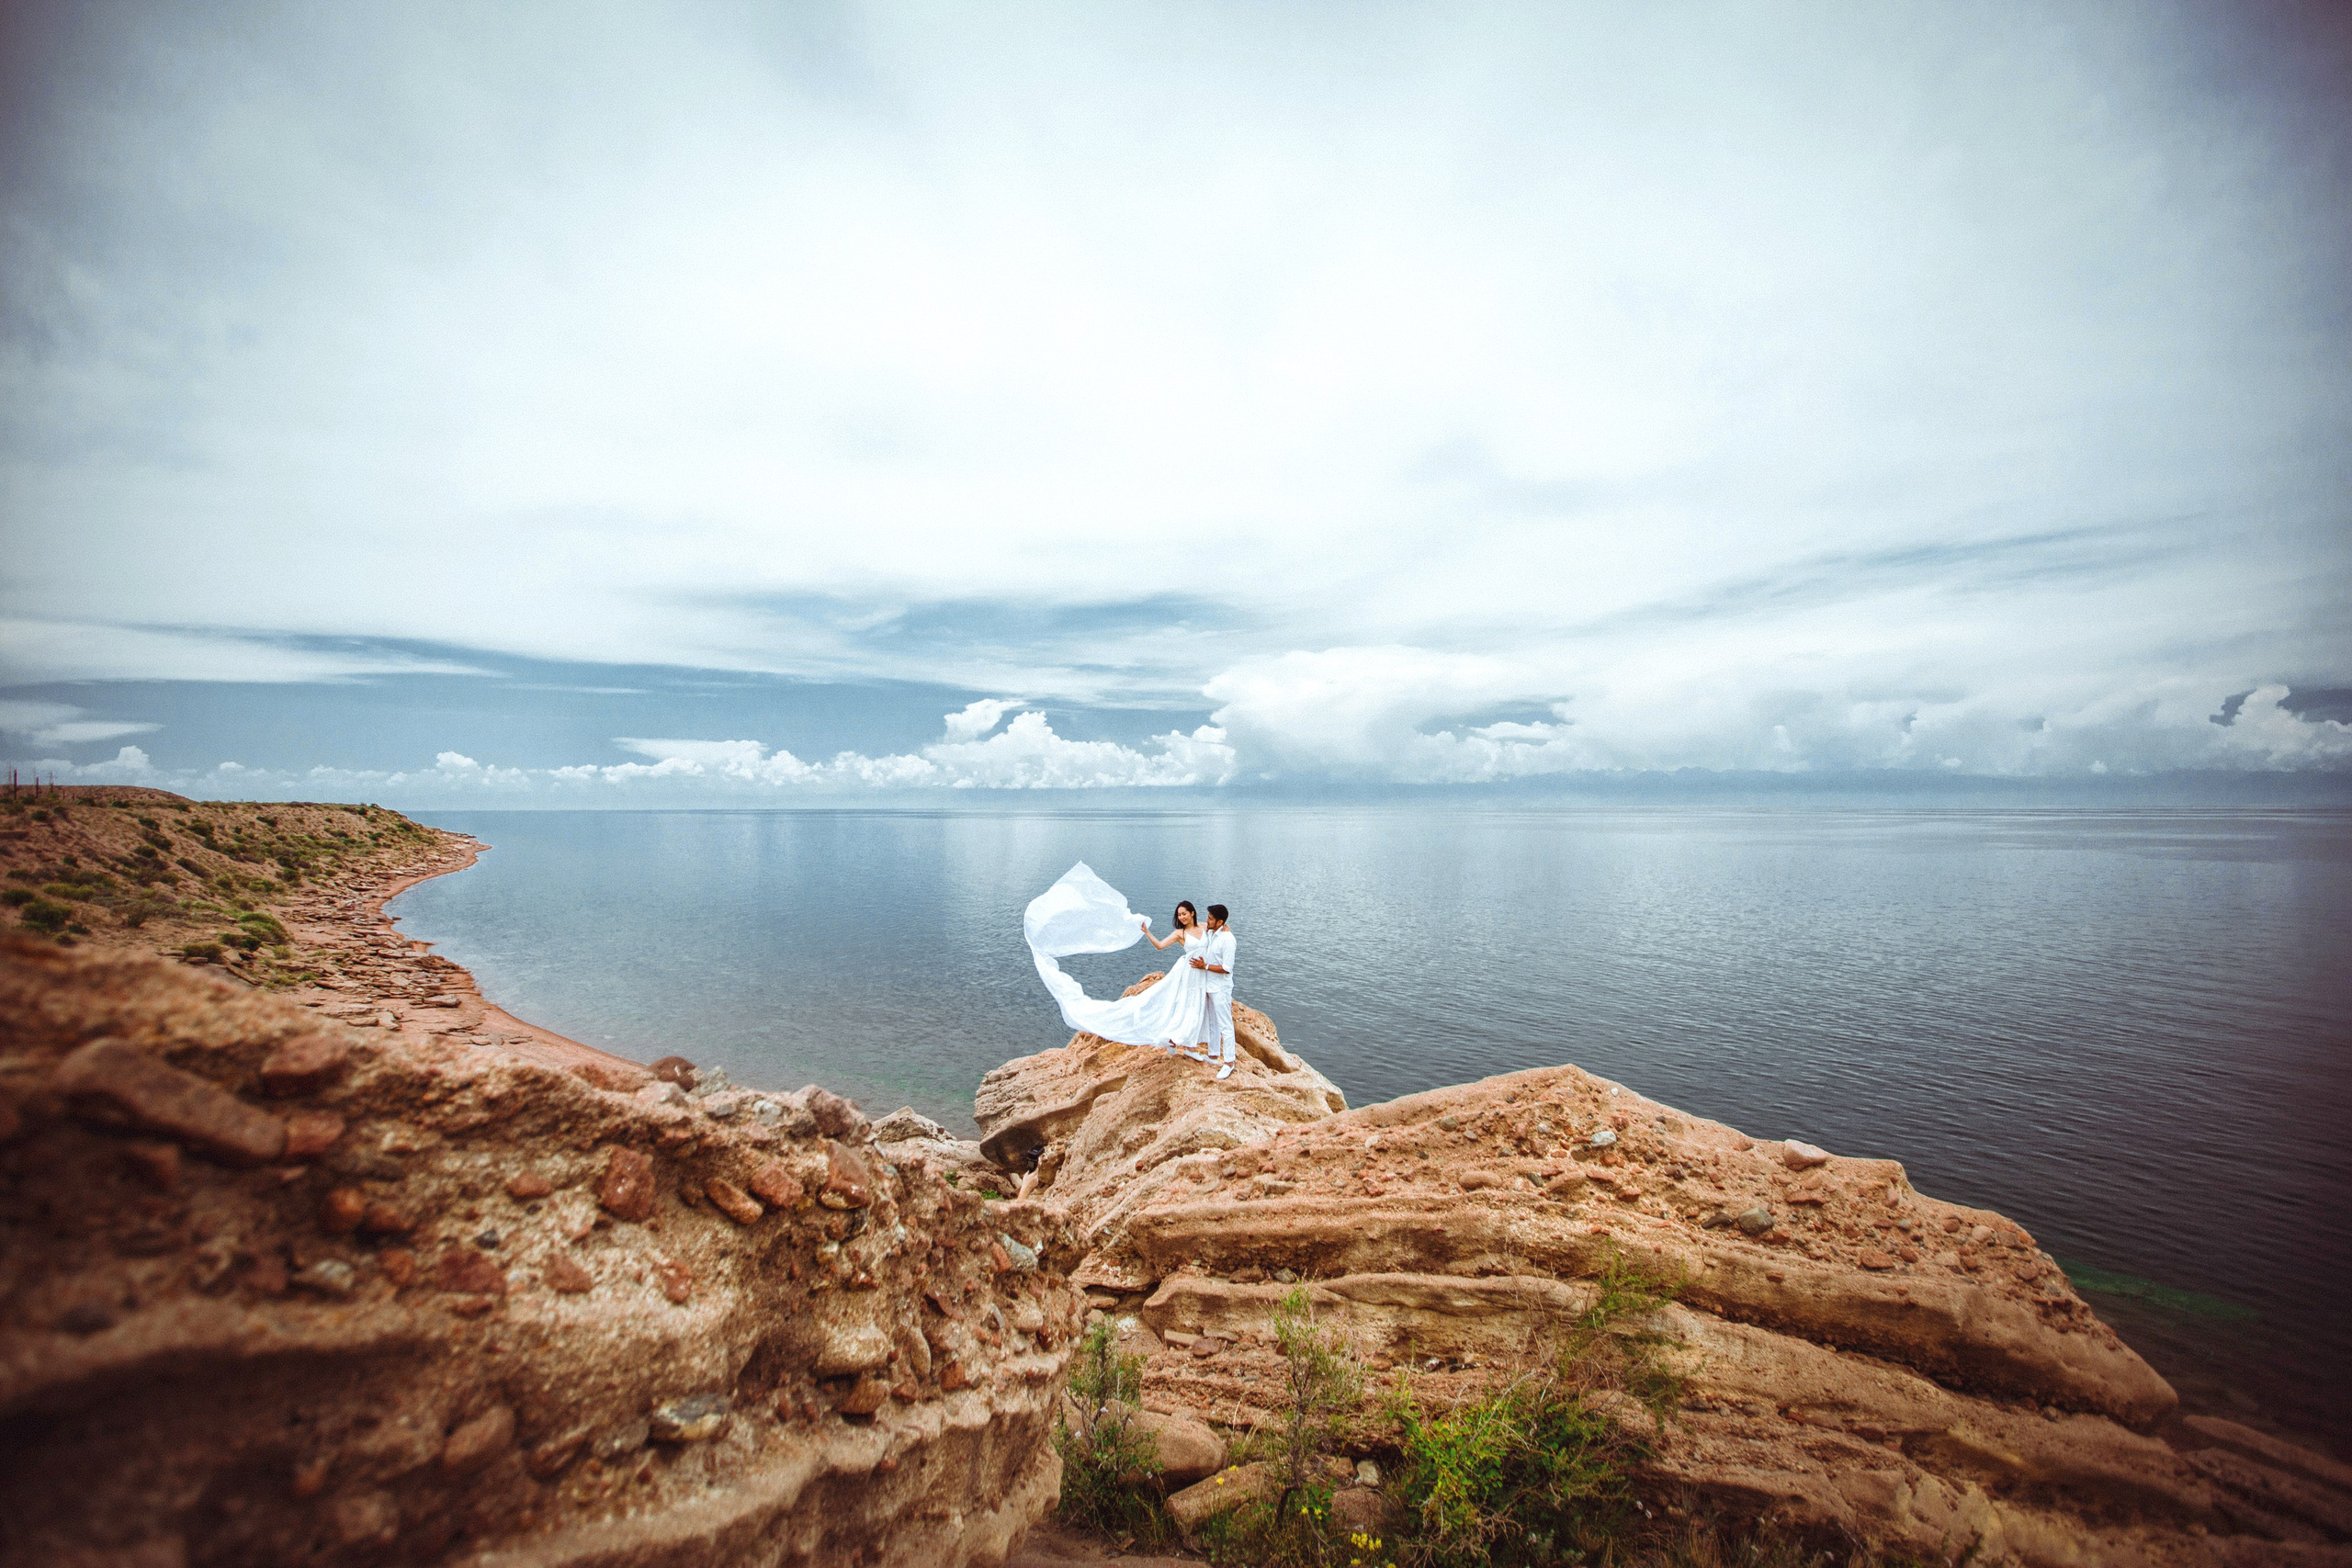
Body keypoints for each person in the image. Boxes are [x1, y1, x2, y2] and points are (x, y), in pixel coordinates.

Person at [1191, 903, 1238, 1079]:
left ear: (1220, 922)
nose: (1207, 920)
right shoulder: (1211, 932)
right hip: (1208, 985)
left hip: (1221, 987)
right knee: (1212, 1022)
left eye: (1210, 918)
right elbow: (1198, 925)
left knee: (1225, 1024)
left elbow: (1227, 968)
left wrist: (1205, 966)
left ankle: (1229, 1062)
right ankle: (1213, 1056)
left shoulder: (1228, 940)